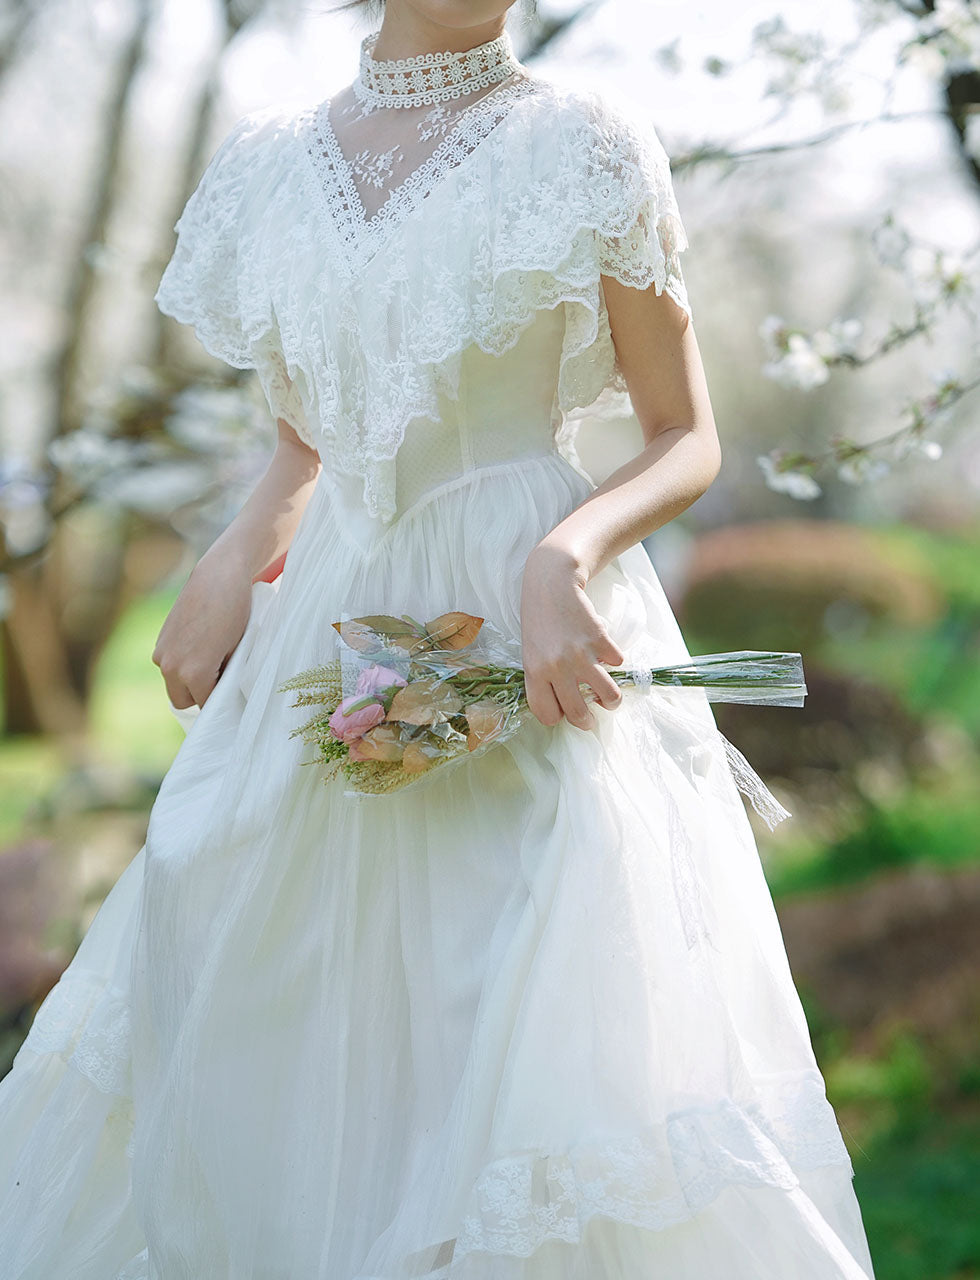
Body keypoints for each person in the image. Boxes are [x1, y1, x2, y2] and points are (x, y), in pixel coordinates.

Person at [0, 1, 879, 1276]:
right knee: (262, 1000)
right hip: (332, 636)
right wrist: (236, 552)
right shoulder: (267, 163)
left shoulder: (583, 141)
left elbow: (683, 433)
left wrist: (560, 555)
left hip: (532, 634)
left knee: (524, 1025)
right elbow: (307, 437)